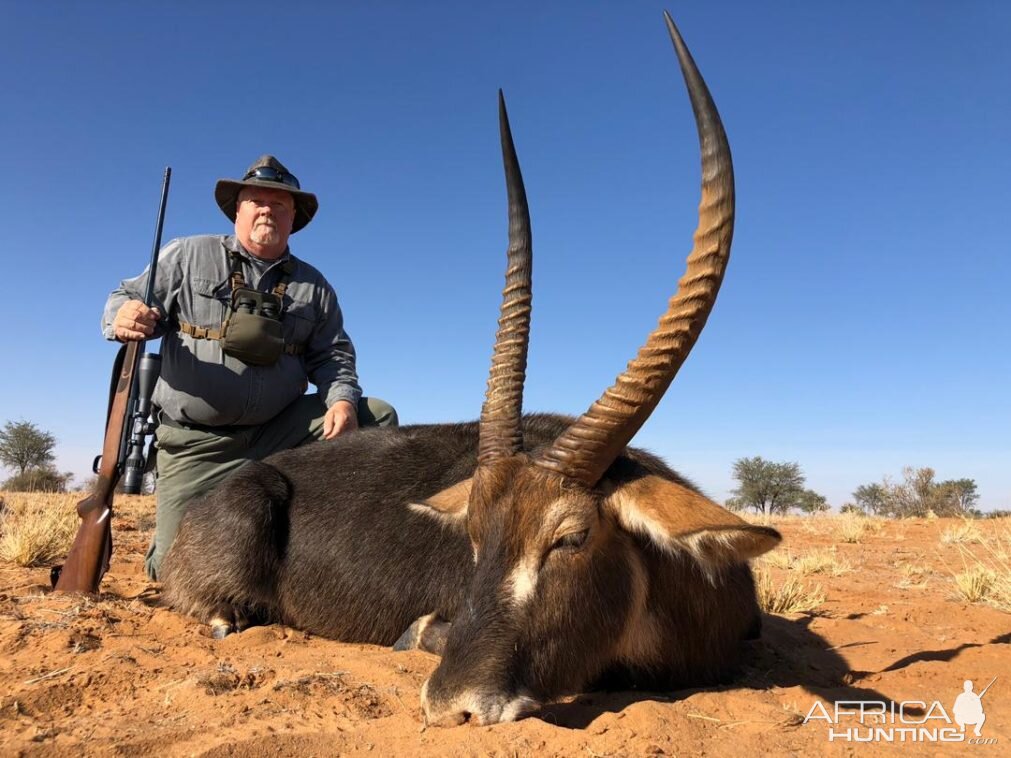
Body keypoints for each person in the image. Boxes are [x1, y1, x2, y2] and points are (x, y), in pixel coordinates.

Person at [103, 155, 398, 580]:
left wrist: (342, 401)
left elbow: (333, 356)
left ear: (293, 217)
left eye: (280, 204)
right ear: (237, 210)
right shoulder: (187, 255)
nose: (267, 210)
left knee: (377, 416)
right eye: (256, 201)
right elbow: (123, 295)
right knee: (174, 571)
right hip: (198, 444)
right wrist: (124, 315)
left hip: (278, 435)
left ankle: (344, 550)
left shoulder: (315, 287)